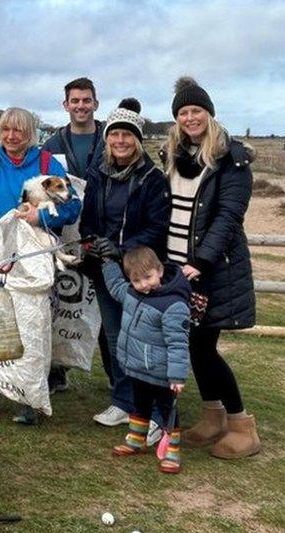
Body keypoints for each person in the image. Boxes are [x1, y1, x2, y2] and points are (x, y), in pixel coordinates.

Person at [161, 76, 260, 459]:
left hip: (212, 269)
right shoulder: (173, 155)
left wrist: (200, 262)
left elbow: (228, 216)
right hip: (176, 267)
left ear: (209, 113)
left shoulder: (231, 159)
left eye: (196, 110)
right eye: (183, 112)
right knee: (193, 344)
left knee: (205, 349)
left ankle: (241, 423)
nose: (190, 118)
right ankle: (213, 415)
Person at [0, 106, 79, 425]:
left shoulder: (47, 164)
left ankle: (30, 395)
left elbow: (71, 206)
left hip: (36, 256)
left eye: (19, 131)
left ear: (31, 134)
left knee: (32, 325)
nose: (12, 136)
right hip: (0, 253)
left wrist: (40, 216)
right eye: (6, 130)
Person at [80, 99, 170, 431]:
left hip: (139, 269)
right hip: (106, 267)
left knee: (144, 339)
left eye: (127, 135)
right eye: (114, 134)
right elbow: (88, 219)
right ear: (107, 139)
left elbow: (157, 227)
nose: (120, 141)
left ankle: (155, 409)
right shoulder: (99, 175)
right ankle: (123, 400)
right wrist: (93, 243)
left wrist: (120, 248)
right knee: (116, 337)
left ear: (138, 140)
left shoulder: (152, 178)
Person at [97, 245, 189, 474]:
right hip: (137, 368)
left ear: (159, 270)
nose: (144, 284)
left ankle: (172, 452)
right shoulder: (131, 292)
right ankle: (136, 440)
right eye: (136, 280)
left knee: (168, 412)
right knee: (139, 407)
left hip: (162, 373)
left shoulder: (173, 305)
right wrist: (108, 262)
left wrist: (177, 376)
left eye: (148, 277)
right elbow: (116, 286)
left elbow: (178, 343)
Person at [41, 77, 105, 394]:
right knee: (62, 296)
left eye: (86, 100)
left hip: (103, 227)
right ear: (66, 105)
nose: (81, 106)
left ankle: (120, 378)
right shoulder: (53, 145)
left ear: (96, 103)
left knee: (104, 298)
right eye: (75, 101)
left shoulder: (111, 139)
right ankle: (57, 369)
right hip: (65, 228)